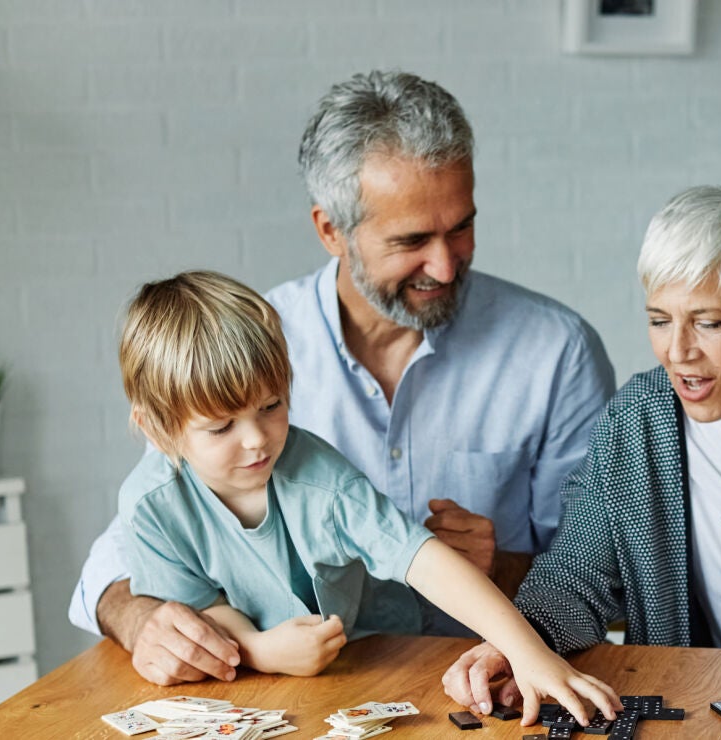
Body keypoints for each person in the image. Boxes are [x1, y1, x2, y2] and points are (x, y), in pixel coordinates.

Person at [69, 70, 616, 686]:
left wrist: (505, 569)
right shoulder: (247, 349)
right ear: (331, 229)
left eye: (460, 226)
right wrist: (142, 617)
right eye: (411, 239)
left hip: (481, 680)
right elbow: (125, 556)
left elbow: (599, 566)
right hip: (299, 692)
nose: (444, 263)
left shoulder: (556, 350)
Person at [113, 270, 619, 726]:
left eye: (272, 405)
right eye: (221, 426)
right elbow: (199, 601)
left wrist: (528, 651)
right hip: (257, 688)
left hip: (381, 654)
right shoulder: (149, 504)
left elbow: (426, 560)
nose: (257, 440)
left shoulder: (320, 477)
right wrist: (259, 649)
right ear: (157, 431)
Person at [442, 185, 721, 713]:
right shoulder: (641, 417)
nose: (677, 351)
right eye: (660, 320)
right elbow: (577, 573)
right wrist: (515, 646)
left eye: (709, 323)